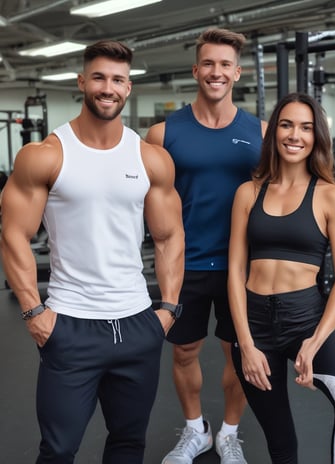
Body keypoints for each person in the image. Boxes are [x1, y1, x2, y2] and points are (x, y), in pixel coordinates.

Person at [0, 40, 185, 464]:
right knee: (59, 450)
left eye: (118, 80)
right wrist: (34, 314)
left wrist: (168, 309)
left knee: (128, 443)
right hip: (71, 327)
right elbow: (14, 236)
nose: (108, 87)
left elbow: (169, 236)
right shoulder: (44, 155)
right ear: (82, 82)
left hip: (139, 323)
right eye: (99, 77)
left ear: (129, 87)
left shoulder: (150, 159)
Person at [146, 27, 267, 464]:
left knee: (239, 354)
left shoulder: (262, 132)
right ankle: (196, 430)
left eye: (225, 65)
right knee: (183, 351)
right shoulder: (162, 134)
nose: (217, 72)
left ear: (238, 73)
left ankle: (230, 434)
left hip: (242, 265)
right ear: (196, 70)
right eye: (208, 64)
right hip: (186, 262)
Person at [227, 92, 335, 464]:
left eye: (306, 127)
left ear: (316, 137)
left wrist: (315, 341)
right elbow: (236, 271)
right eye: (286, 125)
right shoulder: (248, 193)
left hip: (306, 317)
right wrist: (246, 344)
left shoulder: (331, 196)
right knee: (280, 439)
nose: (295, 135)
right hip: (255, 322)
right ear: (273, 133)